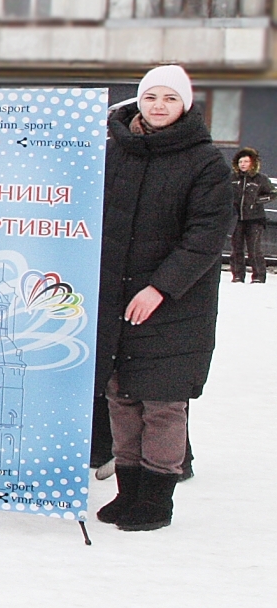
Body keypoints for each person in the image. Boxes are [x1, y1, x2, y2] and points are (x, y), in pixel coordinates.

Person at [94, 65, 231, 532]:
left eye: (170, 99)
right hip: (116, 295)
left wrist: (160, 288)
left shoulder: (206, 162)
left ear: (185, 105)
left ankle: (156, 500)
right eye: (150, 96)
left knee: (163, 404)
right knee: (120, 395)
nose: (158, 106)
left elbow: (206, 236)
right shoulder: (115, 152)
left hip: (175, 304)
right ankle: (127, 491)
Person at [232, 147, 270, 283]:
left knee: (254, 249)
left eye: (246, 161)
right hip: (236, 219)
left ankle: (259, 276)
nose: (243, 164)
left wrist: (258, 200)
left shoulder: (261, 179)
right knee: (237, 249)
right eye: (240, 161)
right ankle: (237, 275)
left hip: (255, 219)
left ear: (252, 163)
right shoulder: (232, 179)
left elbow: (272, 193)